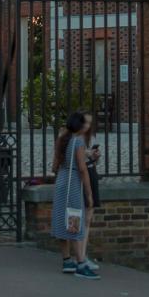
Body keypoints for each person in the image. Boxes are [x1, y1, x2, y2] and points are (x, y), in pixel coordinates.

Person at [51, 111, 99, 279]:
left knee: (61, 219)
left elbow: (54, 166)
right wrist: (89, 193)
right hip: (73, 183)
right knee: (75, 221)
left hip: (61, 181)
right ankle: (80, 263)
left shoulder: (62, 139)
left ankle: (67, 260)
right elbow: (82, 168)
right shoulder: (78, 141)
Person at [81, 112, 102, 270]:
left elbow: (93, 161)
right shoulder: (72, 139)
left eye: (89, 123)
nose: (87, 126)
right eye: (85, 123)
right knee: (76, 216)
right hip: (78, 176)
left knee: (88, 216)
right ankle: (77, 256)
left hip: (91, 172)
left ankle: (83, 254)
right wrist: (84, 154)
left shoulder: (91, 137)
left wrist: (95, 156)